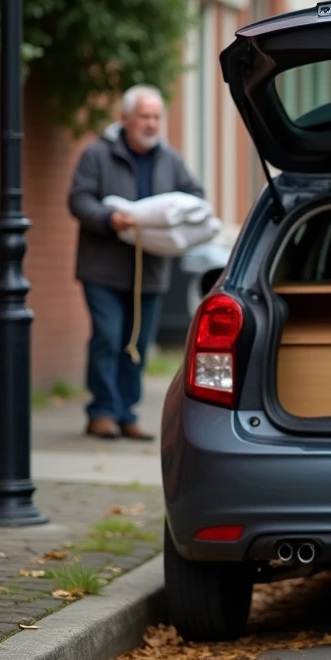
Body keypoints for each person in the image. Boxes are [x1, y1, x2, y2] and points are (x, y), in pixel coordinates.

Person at [67, 84, 205, 441]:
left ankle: (127, 413)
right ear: (125, 118)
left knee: (138, 345)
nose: (151, 123)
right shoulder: (97, 154)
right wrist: (109, 219)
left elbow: (195, 198)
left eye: (156, 116)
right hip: (102, 268)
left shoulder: (171, 159)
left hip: (151, 270)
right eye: (144, 116)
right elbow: (79, 200)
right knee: (109, 338)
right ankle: (101, 412)